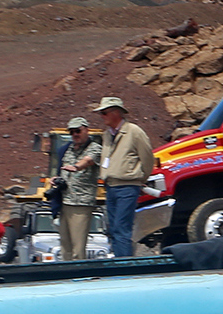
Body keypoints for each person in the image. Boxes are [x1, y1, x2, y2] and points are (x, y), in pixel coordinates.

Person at [95, 96, 153, 257]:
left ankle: (124, 266)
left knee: (121, 228)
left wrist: (140, 179)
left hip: (127, 187)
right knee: (113, 228)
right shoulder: (107, 135)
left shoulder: (134, 132)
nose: (102, 116)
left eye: (104, 112)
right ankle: (119, 263)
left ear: (116, 113)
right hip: (111, 187)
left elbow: (147, 158)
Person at [57, 116, 102, 260]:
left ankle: (78, 276)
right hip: (65, 202)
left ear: (86, 130)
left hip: (81, 203)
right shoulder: (67, 149)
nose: (75, 135)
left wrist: (76, 167)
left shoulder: (94, 147)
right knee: (65, 246)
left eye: (78, 131)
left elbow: (88, 160)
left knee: (78, 247)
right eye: (71, 132)